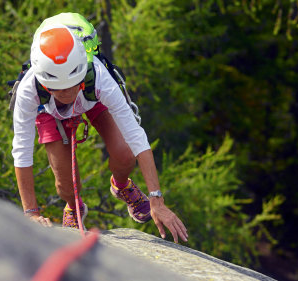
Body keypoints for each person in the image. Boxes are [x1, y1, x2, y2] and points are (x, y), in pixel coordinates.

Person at [11, 13, 188, 243]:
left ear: (81, 74)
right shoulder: (29, 89)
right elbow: (22, 150)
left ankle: (122, 186)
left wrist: (157, 199)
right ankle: (72, 206)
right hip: (48, 111)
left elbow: (135, 135)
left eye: (73, 86)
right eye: (59, 89)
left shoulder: (97, 76)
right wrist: (31, 213)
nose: (67, 95)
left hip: (92, 99)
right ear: (45, 83)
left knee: (125, 154)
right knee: (66, 186)